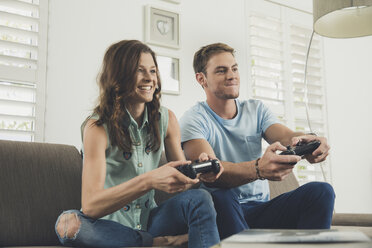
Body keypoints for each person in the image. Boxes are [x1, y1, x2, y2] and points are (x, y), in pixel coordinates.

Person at [54, 40, 222, 248]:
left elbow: (183, 185)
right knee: (68, 225)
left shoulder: (167, 119)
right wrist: (148, 181)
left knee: (200, 198)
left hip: (151, 221)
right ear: (118, 75)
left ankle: (145, 241)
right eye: (139, 70)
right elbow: (90, 207)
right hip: (110, 228)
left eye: (152, 70)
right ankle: (151, 244)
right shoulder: (97, 127)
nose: (149, 78)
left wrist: (197, 174)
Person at [179, 42, 335, 240]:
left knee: (321, 191)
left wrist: (308, 141)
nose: (232, 75)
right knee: (220, 195)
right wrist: (259, 169)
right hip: (223, 212)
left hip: (262, 210)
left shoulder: (256, 109)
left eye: (234, 68)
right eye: (221, 71)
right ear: (201, 79)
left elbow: (287, 136)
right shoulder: (192, 120)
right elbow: (212, 172)